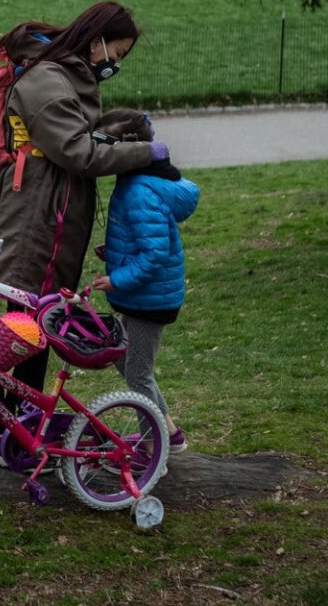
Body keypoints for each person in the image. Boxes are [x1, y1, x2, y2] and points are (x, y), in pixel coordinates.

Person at [0, 0, 162, 464]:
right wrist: (145, 152)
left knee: (33, 324)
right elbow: (79, 153)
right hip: (34, 221)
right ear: (95, 40)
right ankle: (4, 437)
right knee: (25, 325)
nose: (114, 63)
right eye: (115, 52)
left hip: (49, 218)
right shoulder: (46, 79)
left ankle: (12, 433)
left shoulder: (62, 75)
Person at [93, 107, 199, 451]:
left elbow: (154, 255)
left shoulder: (139, 190)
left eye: (105, 148)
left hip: (150, 299)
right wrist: (116, 251)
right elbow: (143, 239)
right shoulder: (135, 181)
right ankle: (168, 432)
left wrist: (116, 279)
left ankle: (155, 447)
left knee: (137, 373)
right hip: (144, 294)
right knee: (123, 359)